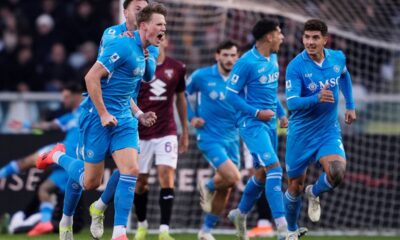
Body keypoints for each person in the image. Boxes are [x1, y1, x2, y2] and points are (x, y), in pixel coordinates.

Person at [36, 4, 167, 240]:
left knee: (131, 169)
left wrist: (139, 113)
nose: (164, 29)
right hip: (97, 115)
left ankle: (118, 233)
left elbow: (147, 77)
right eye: (159, 24)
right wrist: (104, 113)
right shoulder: (117, 39)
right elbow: (91, 77)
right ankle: (57, 156)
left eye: (165, 25)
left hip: (125, 115)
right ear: (139, 21)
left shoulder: (151, 48)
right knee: (89, 182)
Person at [90, 37, 188, 240]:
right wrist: (138, 115)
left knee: (166, 176)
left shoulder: (177, 68)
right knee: (139, 181)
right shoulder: (137, 64)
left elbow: (180, 98)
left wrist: (184, 129)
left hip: (166, 130)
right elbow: (127, 94)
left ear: (167, 41)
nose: (159, 38)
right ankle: (142, 225)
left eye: (163, 33)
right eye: (156, 31)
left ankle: (164, 231)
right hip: (140, 130)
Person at [284, 19, 356, 240]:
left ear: (325, 39)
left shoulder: (337, 58)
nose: (310, 42)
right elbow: (292, 103)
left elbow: (344, 75)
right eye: (307, 37)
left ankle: (314, 192)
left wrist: (350, 105)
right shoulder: (296, 66)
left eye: (315, 37)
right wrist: (316, 98)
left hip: (327, 131)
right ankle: (292, 230)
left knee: (337, 172)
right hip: (301, 134)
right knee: (294, 186)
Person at [224, 19, 288, 240]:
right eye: (279, 33)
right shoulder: (246, 62)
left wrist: (280, 113)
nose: (282, 37)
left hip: (270, 124)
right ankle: (283, 230)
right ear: (269, 36)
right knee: (275, 169)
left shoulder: (274, 58)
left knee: (261, 174)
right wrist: (256, 113)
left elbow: (270, 94)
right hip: (252, 125)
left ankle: (239, 214)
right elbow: (230, 94)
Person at [0, 82, 83, 236]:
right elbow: (49, 126)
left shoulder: (89, 106)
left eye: (66, 96)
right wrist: (27, 125)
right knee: (45, 189)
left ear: (76, 95)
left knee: (26, 162)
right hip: (72, 163)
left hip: (65, 151)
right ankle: (45, 222)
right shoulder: (71, 116)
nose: (63, 100)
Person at [186, 40, 241, 240]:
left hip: (233, 138)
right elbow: (182, 95)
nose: (229, 59)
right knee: (234, 177)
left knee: (226, 186)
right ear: (217, 56)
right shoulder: (201, 76)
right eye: (225, 55)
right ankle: (208, 186)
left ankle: (206, 231)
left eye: (232, 55)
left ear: (238, 57)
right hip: (209, 136)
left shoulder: (241, 78)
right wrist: (192, 117)